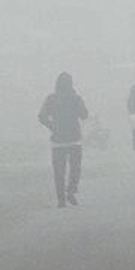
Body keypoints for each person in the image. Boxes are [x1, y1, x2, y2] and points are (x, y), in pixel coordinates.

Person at [38, 71, 89, 208]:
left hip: (58, 140)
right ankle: (71, 190)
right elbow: (84, 115)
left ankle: (61, 200)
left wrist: (52, 126)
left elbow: (41, 116)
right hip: (74, 138)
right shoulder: (75, 98)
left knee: (59, 171)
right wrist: (76, 99)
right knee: (75, 168)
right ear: (71, 84)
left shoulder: (51, 99)